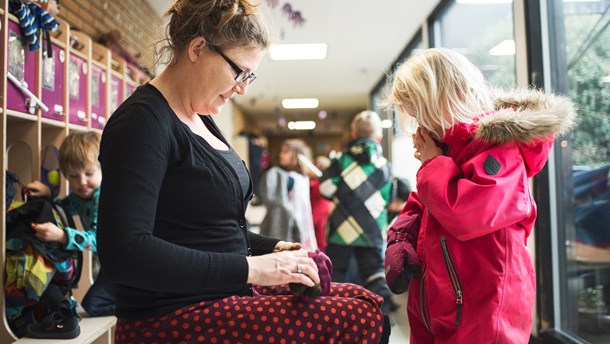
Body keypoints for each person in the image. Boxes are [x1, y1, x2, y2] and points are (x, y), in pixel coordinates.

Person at [96, 1, 389, 343]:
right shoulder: (142, 123)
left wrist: (275, 249)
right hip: (174, 314)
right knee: (362, 319)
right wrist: (253, 269)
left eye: (250, 76)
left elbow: (209, 232)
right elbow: (124, 254)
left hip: (219, 293)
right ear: (198, 48)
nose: (243, 88)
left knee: (365, 299)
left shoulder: (199, 118)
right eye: (240, 72)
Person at [383, 48, 576, 343]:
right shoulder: (449, 147)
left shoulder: (502, 148)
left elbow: (467, 213)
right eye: (415, 116)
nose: (422, 126)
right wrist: (401, 236)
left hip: (483, 308)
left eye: (425, 113)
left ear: (453, 94)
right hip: (438, 299)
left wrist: (433, 164)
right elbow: (423, 201)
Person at [25, 131, 116, 318]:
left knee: (94, 305)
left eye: (89, 173)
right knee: (94, 304)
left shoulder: (104, 196)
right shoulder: (79, 198)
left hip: (123, 263)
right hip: (110, 265)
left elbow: (100, 240)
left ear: (103, 169)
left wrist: (61, 236)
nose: (82, 182)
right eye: (73, 176)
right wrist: (47, 195)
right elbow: (61, 208)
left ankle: (141, 303)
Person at [319, 110, 397, 315]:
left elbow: (325, 188)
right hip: (372, 229)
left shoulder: (339, 160)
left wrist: (345, 187)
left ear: (353, 134)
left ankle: (332, 319)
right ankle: (381, 318)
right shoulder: (385, 166)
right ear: (378, 137)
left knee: (336, 275)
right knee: (374, 275)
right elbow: (389, 199)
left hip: (340, 228)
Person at [259, 139, 317, 251]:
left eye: (285, 152)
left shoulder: (290, 178)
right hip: (295, 225)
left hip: (290, 227)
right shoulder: (302, 177)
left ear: (296, 155)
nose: (281, 155)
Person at [309, 155, 333, 252]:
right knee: (321, 234)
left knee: (319, 235)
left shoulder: (317, 183)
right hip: (324, 207)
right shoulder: (323, 181)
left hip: (319, 209)